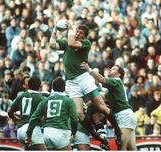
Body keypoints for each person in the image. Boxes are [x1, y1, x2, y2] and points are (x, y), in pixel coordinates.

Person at [49, 21, 122, 149]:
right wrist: (55, 29)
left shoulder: (86, 43)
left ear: (85, 37)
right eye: (77, 31)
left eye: (81, 33)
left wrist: (70, 28)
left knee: (102, 107)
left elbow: (72, 43)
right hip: (71, 82)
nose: (78, 33)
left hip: (84, 79)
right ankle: (96, 135)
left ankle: (118, 131)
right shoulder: (67, 41)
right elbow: (52, 44)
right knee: (79, 114)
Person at [80, 62, 137, 150]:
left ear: (118, 74)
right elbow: (99, 96)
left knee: (122, 148)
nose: (110, 69)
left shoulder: (116, 81)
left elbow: (101, 79)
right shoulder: (114, 88)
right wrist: (86, 105)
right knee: (132, 148)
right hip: (127, 115)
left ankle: (102, 136)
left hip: (124, 116)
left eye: (113, 68)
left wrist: (89, 70)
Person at [25, 77, 78, 150]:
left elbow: (34, 118)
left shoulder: (45, 100)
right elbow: (74, 119)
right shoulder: (69, 101)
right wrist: (74, 132)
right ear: (64, 88)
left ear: (52, 88)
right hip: (61, 132)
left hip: (47, 133)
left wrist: (28, 135)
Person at [8, 76, 46, 150]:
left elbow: (9, 112)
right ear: (40, 86)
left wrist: (15, 119)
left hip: (20, 130)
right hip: (32, 130)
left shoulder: (21, 96)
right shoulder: (41, 98)